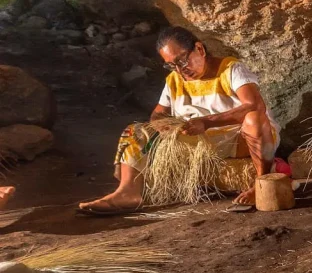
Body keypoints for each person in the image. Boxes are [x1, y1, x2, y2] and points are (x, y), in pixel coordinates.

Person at [79, 27, 281, 214]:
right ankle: (127, 192)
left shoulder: (230, 69)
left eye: (182, 61)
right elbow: (157, 114)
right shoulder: (174, 80)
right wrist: (164, 125)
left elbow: (255, 106)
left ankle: (261, 184)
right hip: (201, 142)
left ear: (200, 49)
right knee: (135, 131)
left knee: (254, 119)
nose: (180, 69)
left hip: (240, 139)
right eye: (171, 65)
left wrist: (207, 122)